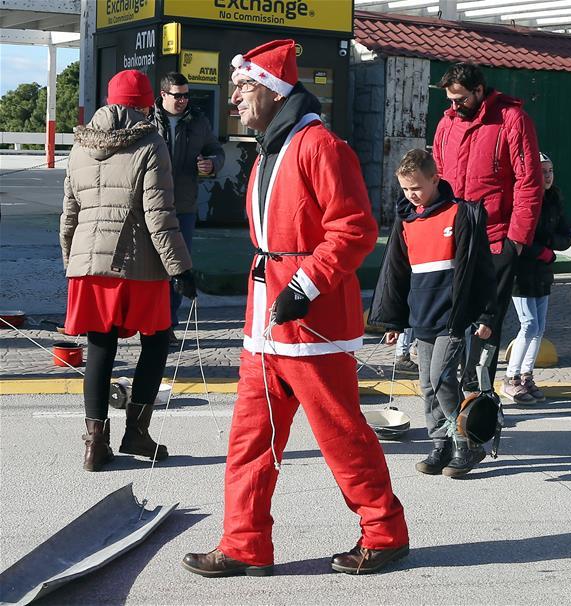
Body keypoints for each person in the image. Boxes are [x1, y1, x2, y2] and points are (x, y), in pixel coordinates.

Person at [181, 39, 408, 578]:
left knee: (341, 435)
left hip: (311, 323)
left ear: (269, 89)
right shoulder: (271, 148)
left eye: (240, 87)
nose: (232, 98)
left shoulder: (320, 145)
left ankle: (385, 532)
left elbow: (354, 230)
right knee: (249, 438)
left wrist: (304, 286)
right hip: (265, 323)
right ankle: (244, 543)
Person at [60, 69, 195, 472]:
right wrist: (182, 268)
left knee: (100, 348)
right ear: (146, 103)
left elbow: (69, 213)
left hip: (88, 264)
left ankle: (94, 445)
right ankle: (136, 431)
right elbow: (159, 215)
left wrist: (73, 263)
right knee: (155, 342)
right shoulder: (151, 142)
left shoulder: (80, 144)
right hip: (138, 265)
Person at [370, 149, 496, 477]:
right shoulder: (407, 220)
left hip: (453, 318)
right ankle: (441, 444)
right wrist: (394, 321)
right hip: (421, 318)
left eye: (418, 187)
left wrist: (485, 316)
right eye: (406, 189)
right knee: (427, 384)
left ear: (435, 179)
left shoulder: (460, 214)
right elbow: (396, 272)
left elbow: (481, 268)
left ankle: (466, 445)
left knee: (442, 380)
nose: (412, 195)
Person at [431, 62, 543, 392]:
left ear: (479, 91)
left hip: (497, 239)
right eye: (450, 100)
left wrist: (517, 241)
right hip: (453, 235)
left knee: (485, 325)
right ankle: (447, 393)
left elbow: (529, 182)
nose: (454, 107)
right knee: (448, 317)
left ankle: (479, 395)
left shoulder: (513, 120)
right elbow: (436, 178)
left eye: (461, 99)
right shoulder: (446, 124)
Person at [151, 72, 225, 344]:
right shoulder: (146, 120)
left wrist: (212, 164)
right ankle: (147, 321)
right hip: (150, 207)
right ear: (163, 95)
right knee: (151, 267)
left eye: (186, 95)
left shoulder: (198, 121)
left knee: (178, 268)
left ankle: (168, 324)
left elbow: (217, 150)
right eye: (177, 95)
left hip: (184, 207)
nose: (183, 100)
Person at [502, 152, 571, 405]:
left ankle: (526, 376)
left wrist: (549, 247)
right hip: (520, 272)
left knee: (539, 327)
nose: (547, 176)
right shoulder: (522, 199)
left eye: (550, 171)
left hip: (542, 271)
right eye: (542, 171)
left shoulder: (554, 200)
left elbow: (566, 236)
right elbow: (515, 235)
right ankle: (510, 379)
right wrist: (538, 250)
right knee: (528, 324)